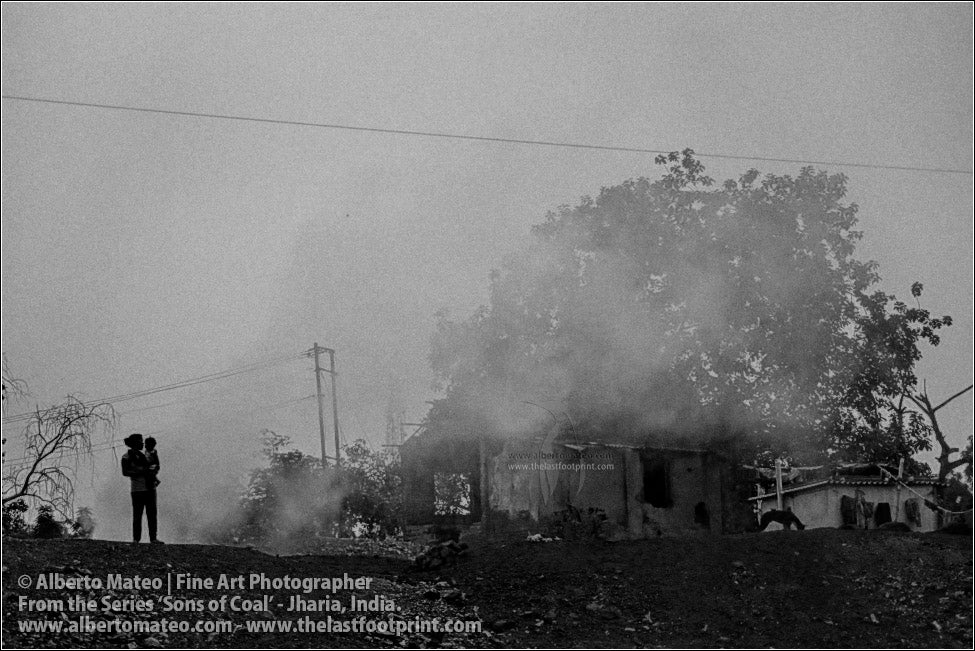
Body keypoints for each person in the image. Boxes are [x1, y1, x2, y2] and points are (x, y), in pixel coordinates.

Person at [120, 433, 163, 543]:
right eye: (140, 441)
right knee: (138, 515)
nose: (142, 443)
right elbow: (125, 472)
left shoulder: (145, 455)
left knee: (151, 515)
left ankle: (152, 538)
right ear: (135, 443)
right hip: (138, 489)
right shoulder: (126, 457)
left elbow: (155, 466)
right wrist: (141, 471)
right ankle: (136, 539)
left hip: (148, 488)